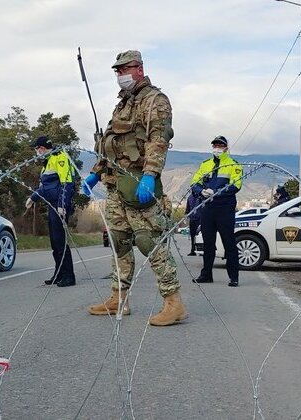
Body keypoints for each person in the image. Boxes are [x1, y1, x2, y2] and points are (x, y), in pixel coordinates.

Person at [82, 50, 187, 326]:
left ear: (139, 68)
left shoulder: (155, 101)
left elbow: (157, 139)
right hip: (116, 185)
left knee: (148, 241)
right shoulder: (123, 104)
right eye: (117, 71)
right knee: (119, 242)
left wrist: (150, 175)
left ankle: (173, 303)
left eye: (125, 69)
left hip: (139, 182)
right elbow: (112, 145)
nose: (121, 75)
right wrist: (96, 173)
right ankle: (119, 299)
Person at [190, 135, 243, 287]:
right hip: (207, 208)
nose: (217, 148)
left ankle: (234, 277)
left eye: (220, 146)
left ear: (226, 148)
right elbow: (195, 182)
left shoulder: (233, 165)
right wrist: (201, 191)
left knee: (229, 243)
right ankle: (206, 274)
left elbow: (236, 185)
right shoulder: (205, 164)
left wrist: (217, 191)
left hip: (225, 209)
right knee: (208, 243)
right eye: (215, 146)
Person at [25, 136, 76, 287]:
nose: (36, 152)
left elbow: (67, 183)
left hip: (59, 206)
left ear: (41, 148)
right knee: (55, 242)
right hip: (51, 205)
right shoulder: (46, 164)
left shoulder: (60, 157)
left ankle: (68, 276)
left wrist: (62, 204)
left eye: (36, 149)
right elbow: (45, 187)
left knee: (61, 241)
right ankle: (59, 273)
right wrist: (33, 197)